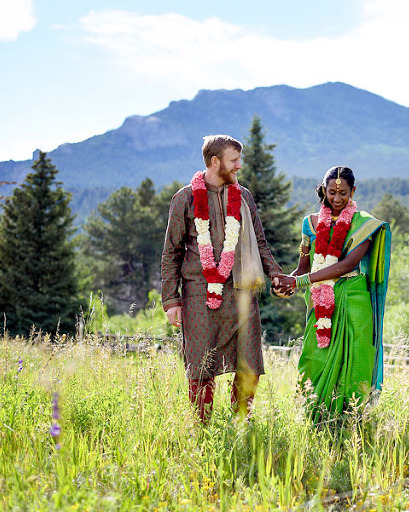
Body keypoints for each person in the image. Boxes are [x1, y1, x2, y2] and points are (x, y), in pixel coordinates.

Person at [161, 134, 284, 422]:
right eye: (234, 160)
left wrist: (276, 274)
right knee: (201, 367)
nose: (239, 166)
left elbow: (261, 243)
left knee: (250, 365)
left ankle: (240, 424)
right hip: (199, 297)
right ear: (215, 162)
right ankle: (201, 429)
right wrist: (171, 300)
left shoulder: (244, 197)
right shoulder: (185, 199)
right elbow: (172, 252)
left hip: (242, 293)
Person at [275, 166, 391, 423]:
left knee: (357, 357)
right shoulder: (309, 223)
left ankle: (352, 419)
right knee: (315, 357)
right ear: (323, 190)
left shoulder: (364, 224)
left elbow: (347, 265)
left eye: (343, 193)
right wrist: (286, 284)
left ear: (353, 192)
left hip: (353, 298)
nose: (337, 198)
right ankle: (313, 417)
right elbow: (303, 268)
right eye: (331, 192)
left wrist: (301, 281)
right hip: (321, 301)